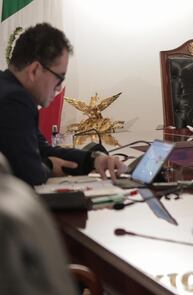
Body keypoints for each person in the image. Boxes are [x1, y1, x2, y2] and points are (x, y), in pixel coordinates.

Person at [0, 23, 127, 186]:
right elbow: (31, 175)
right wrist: (50, 165)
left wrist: (93, 159)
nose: (59, 87)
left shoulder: (8, 89)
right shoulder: (15, 99)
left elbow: (44, 150)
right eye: (59, 77)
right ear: (35, 70)